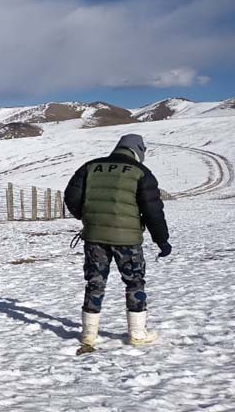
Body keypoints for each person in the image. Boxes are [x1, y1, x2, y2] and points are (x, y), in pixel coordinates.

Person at [64, 133, 170, 355]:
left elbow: (71, 196)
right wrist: (161, 239)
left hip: (94, 237)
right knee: (134, 283)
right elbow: (153, 210)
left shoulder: (90, 167)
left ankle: (88, 335)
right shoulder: (141, 173)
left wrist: (87, 218)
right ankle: (137, 334)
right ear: (139, 151)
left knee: (95, 283)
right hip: (128, 240)